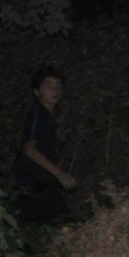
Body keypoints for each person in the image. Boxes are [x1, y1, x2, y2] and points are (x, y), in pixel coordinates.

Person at [10, 65, 76, 225]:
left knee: (60, 223)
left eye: (58, 86)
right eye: (48, 85)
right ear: (37, 91)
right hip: (31, 183)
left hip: (43, 183)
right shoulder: (38, 114)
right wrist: (59, 173)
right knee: (60, 224)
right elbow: (29, 149)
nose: (55, 90)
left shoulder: (48, 117)